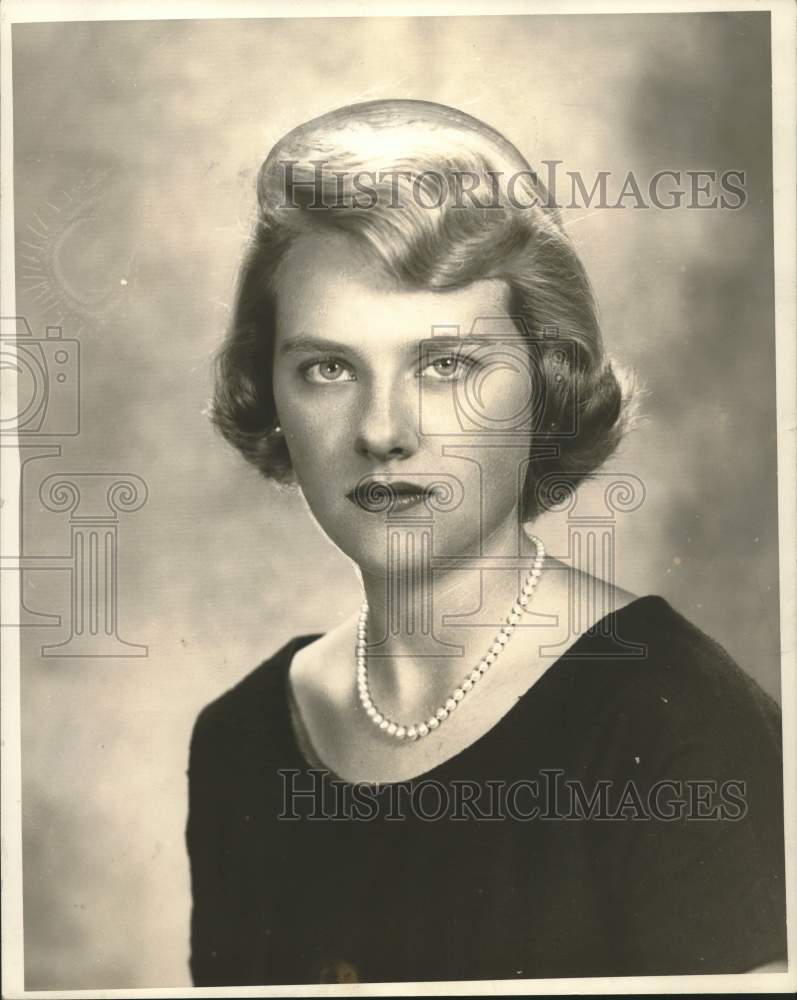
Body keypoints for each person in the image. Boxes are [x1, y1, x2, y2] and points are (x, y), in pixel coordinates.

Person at [186, 100, 786, 985]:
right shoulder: (241, 736)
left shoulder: (678, 723)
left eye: (447, 365)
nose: (382, 431)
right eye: (327, 367)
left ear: (545, 383)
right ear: (267, 393)